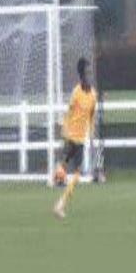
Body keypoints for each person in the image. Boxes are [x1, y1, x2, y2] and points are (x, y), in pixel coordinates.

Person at [53, 58, 96, 220]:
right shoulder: (76, 93)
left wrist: (91, 135)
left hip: (81, 140)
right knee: (63, 167)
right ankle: (58, 176)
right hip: (70, 137)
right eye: (87, 73)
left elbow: (91, 117)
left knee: (77, 174)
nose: (90, 76)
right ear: (81, 75)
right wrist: (64, 130)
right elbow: (69, 113)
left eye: (91, 73)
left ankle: (60, 204)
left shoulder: (93, 95)